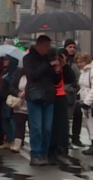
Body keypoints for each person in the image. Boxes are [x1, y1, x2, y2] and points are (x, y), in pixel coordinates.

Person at [23, 35, 63, 166]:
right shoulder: (28, 59)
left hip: (48, 96)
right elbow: (33, 75)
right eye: (46, 46)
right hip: (35, 96)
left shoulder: (49, 58)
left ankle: (44, 153)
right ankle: (35, 153)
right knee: (36, 128)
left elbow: (55, 81)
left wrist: (57, 72)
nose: (48, 49)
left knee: (47, 128)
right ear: (39, 45)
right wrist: (48, 65)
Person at [48, 48, 76, 164]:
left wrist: (64, 66)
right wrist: (54, 68)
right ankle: (51, 150)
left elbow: (71, 79)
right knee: (51, 125)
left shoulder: (64, 67)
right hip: (50, 96)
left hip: (61, 96)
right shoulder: (48, 66)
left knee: (63, 125)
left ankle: (62, 149)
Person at [7, 58, 29, 154]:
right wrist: (18, 93)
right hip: (20, 104)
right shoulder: (19, 73)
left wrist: (27, 93)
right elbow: (11, 86)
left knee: (34, 126)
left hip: (31, 103)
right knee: (19, 124)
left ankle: (35, 146)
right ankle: (17, 145)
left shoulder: (35, 75)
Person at [65, 39, 84, 147]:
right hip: (66, 91)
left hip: (76, 92)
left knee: (78, 114)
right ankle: (66, 137)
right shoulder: (65, 60)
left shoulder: (77, 61)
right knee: (66, 116)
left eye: (73, 47)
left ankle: (76, 137)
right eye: (70, 47)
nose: (72, 49)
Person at [76, 52, 93, 155]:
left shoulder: (91, 71)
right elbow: (83, 87)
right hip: (85, 100)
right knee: (88, 124)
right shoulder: (83, 71)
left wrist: (87, 102)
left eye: (80, 62)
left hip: (89, 102)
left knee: (91, 124)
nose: (78, 64)